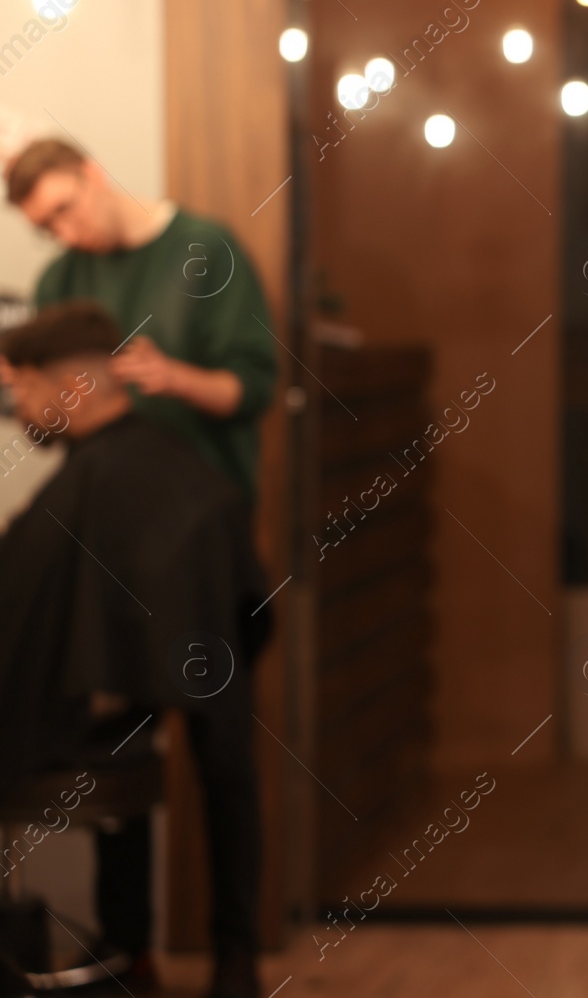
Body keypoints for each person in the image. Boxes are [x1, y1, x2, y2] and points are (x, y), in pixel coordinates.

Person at [0, 301, 271, 998]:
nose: (20, 409)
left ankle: (127, 945)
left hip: (96, 717)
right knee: (218, 757)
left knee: (111, 726)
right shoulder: (197, 479)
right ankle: (229, 959)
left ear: (70, 388)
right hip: (200, 682)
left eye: (23, 388)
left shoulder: (76, 489)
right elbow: (252, 608)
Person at [3, 136, 278, 504]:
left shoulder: (205, 250)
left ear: (92, 174)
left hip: (200, 501)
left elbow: (253, 390)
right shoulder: (58, 280)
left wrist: (173, 377)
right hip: (108, 501)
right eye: (47, 228)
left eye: (65, 209)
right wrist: (28, 390)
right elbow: (52, 428)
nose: (66, 234)